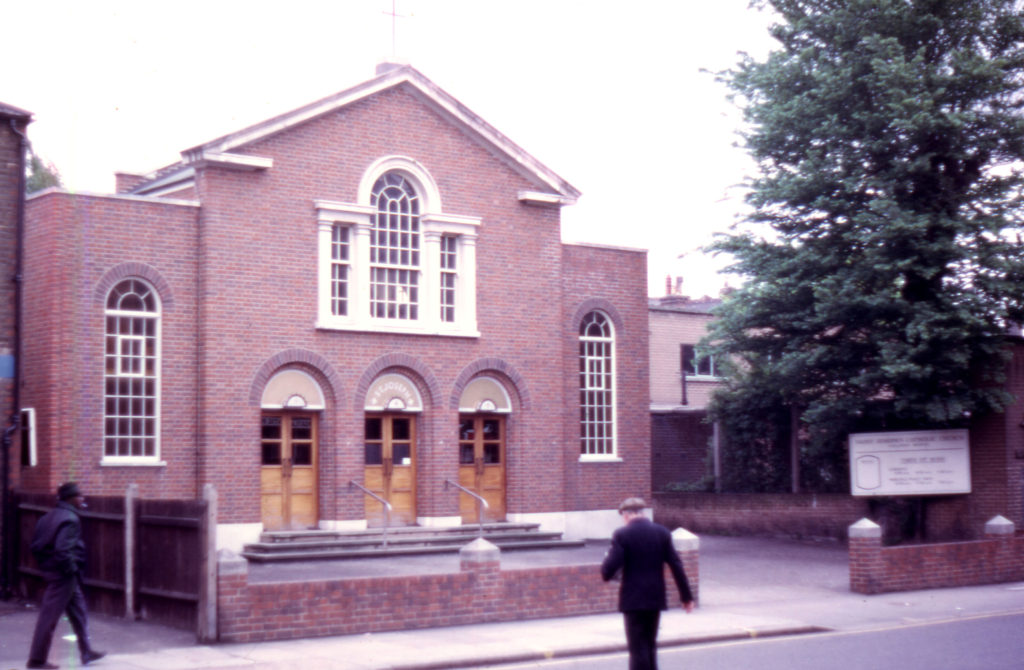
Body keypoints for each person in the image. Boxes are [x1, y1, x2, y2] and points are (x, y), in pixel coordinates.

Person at [601, 497, 694, 670]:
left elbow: (608, 570)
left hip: (633, 600)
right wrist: (686, 597)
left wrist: (607, 562)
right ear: (643, 513)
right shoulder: (662, 532)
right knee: (650, 646)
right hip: (655, 598)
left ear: (627, 515)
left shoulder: (622, 534)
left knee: (638, 650)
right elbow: (676, 566)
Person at [27, 482, 106, 669]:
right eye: (80, 496)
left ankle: (86, 652)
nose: (82, 499)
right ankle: (37, 661)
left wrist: (48, 567)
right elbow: (63, 550)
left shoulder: (47, 517)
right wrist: (70, 570)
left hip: (55, 572)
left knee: (79, 613)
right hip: (64, 576)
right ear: (70, 498)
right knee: (49, 618)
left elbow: (36, 546)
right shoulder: (71, 519)